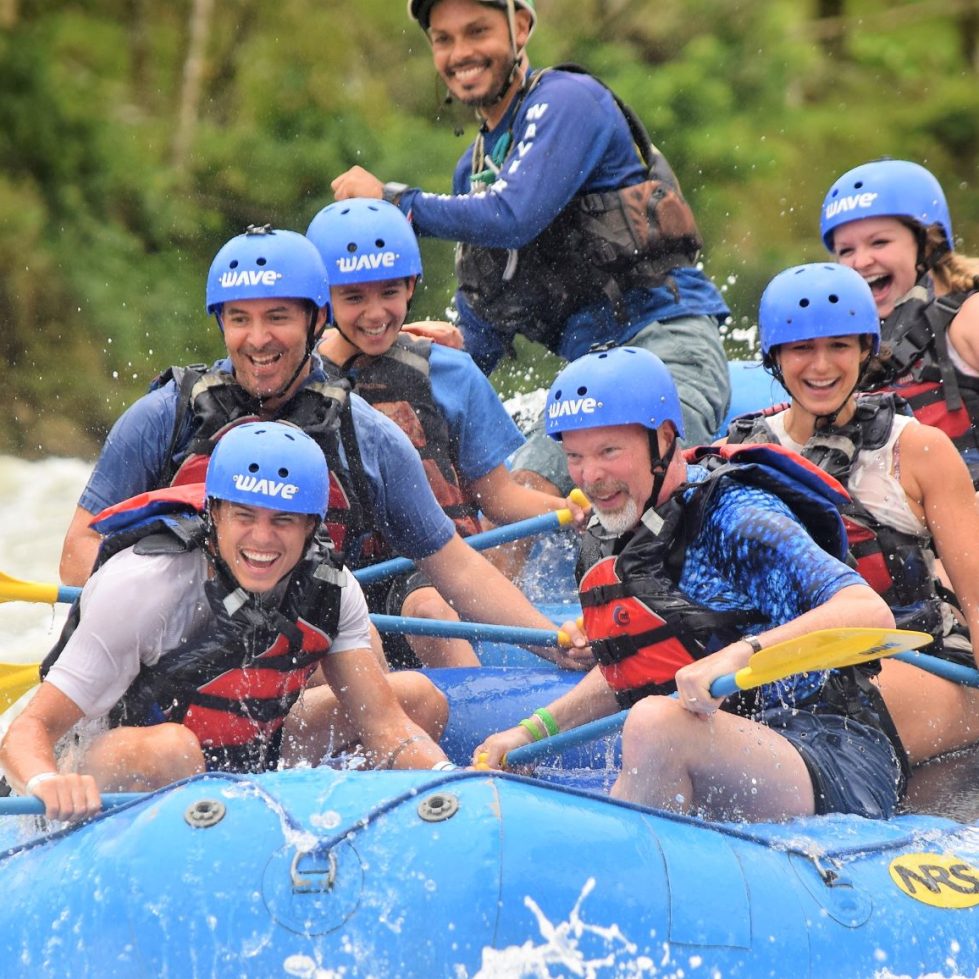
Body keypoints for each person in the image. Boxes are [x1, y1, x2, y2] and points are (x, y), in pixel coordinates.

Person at [57, 225, 590, 671]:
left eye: (278, 318)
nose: (257, 338)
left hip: (328, 628)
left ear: (316, 320)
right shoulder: (165, 417)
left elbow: (455, 566)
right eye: (239, 318)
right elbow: (80, 547)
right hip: (185, 632)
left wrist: (553, 641)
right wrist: (158, 618)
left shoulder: (367, 434)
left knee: (369, 646)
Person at [475, 346, 904, 823]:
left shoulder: (736, 516)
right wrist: (531, 733)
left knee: (656, 724)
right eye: (575, 457)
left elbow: (869, 612)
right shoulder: (622, 527)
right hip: (732, 743)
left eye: (608, 452)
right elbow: (636, 660)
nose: (591, 477)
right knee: (654, 722)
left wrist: (742, 653)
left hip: (830, 752)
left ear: (662, 440)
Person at [330, 0, 731, 501]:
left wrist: (395, 201)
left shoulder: (567, 101)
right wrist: (438, 354)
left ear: (521, 27)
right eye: (444, 39)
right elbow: (484, 325)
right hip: (587, 381)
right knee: (483, 497)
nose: (461, 53)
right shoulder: (470, 172)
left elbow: (513, 216)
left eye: (477, 31)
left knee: (526, 490)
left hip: (667, 350)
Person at [0, 422, 452, 823]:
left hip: (255, 750)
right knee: (174, 750)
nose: (261, 538)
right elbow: (29, 731)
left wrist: (450, 782)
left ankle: (336, 830)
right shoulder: (142, 585)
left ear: (312, 525)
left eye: (283, 520)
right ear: (214, 514)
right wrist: (44, 782)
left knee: (418, 700)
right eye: (244, 515)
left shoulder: (334, 586)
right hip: (115, 760)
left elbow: (387, 729)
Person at [723, 262, 979, 766]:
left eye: (839, 346)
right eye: (802, 349)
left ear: (866, 351)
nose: (821, 366)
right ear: (774, 357)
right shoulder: (739, 453)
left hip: (924, 660)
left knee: (827, 705)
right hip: (793, 663)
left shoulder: (919, 450)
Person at [307, 198, 573, 668]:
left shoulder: (450, 372)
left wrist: (572, 510)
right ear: (323, 298)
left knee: (430, 611)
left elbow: (500, 499)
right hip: (332, 576)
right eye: (354, 298)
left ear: (411, 286)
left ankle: (475, 717)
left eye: (389, 292)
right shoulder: (296, 380)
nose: (375, 313)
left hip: (429, 571)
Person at [820, 159, 979, 484]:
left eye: (879, 242)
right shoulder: (836, 349)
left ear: (927, 244)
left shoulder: (969, 318)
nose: (861, 261)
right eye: (846, 250)